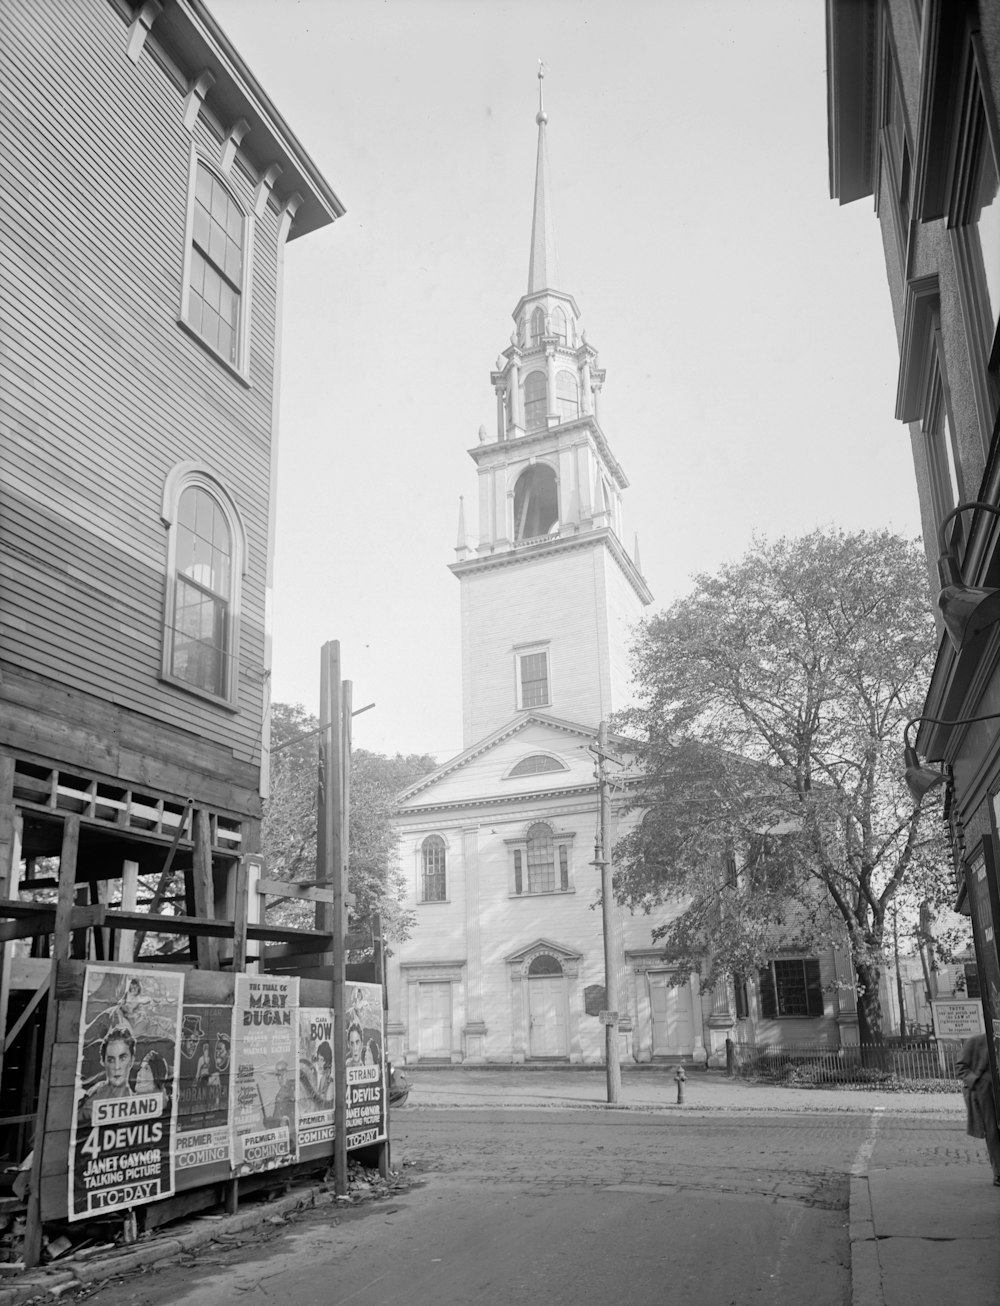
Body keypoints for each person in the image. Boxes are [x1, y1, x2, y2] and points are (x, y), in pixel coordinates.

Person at [956, 1033, 1000, 1186]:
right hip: (987, 1095)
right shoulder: (976, 1041)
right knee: (993, 1132)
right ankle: (999, 1173)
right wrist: (978, 1082)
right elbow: (961, 1067)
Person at [79, 1028, 135, 1124]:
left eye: (123, 1058)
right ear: (103, 1061)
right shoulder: (91, 1102)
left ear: (132, 1060)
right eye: (111, 1060)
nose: (117, 1067)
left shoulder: (136, 1097)